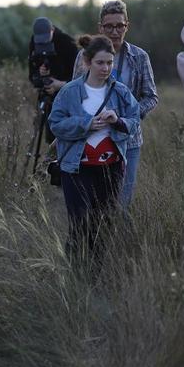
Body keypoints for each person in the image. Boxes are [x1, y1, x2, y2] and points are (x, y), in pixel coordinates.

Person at [48, 34, 140, 273]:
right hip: (77, 168)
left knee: (103, 224)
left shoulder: (120, 91)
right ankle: (75, 275)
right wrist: (86, 124)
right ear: (87, 62)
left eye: (109, 62)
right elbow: (55, 124)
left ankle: (95, 275)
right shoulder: (69, 92)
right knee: (80, 224)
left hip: (111, 168)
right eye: (100, 63)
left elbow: (135, 120)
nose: (105, 68)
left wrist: (118, 120)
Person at [72, 0, 158, 209]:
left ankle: (118, 232)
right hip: (91, 138)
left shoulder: (139, 57)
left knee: (121, 204)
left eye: (120, 26)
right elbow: (73, 96)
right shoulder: (84, 56)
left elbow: (151, 97)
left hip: (128, 141)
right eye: (109, 26)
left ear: (127, 26)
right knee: (91, 204)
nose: (115, 31)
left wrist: (128, 117)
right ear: (100, 27)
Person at [28, 16, 79, 143]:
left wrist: (60, 84)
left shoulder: (68, 43)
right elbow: (32, 74)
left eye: (46, 39)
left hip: (67, 98)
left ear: (52, 30)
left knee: (66, 136)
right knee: (50, 137)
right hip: (46, 97)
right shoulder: (34, 41)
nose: (43, 43)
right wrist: (40, 73)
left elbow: (79, 78)